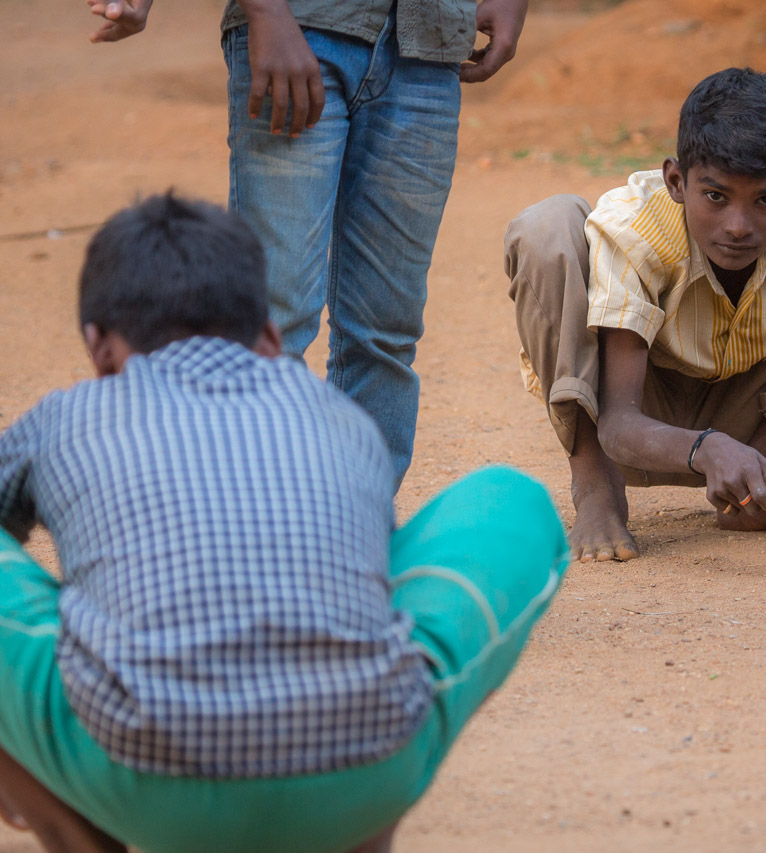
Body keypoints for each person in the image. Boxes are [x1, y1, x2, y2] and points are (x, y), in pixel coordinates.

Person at [0, 194, 568, 853]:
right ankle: (361, 836)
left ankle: (79, 835)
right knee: (511, 501)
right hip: (365, 777)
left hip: (142, 784)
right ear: (269, 336)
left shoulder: (69, 415)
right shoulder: (340, 418)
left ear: (99, 348)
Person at [505, 67, 766, 573]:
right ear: (675, 181)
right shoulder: (639, 231)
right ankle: (597, 488)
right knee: (546, 226)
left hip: (749, 411)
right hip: (636, 416)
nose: (738, 226)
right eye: (715, 196)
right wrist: (704, 447)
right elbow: (620, 423)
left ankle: (761, 486)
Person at [88, 0, 530, 489]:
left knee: (385, 331)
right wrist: (266, 12)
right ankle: (254, 515)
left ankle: (357, 518)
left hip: (428, 42)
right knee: (274, 318)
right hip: (301, 28)